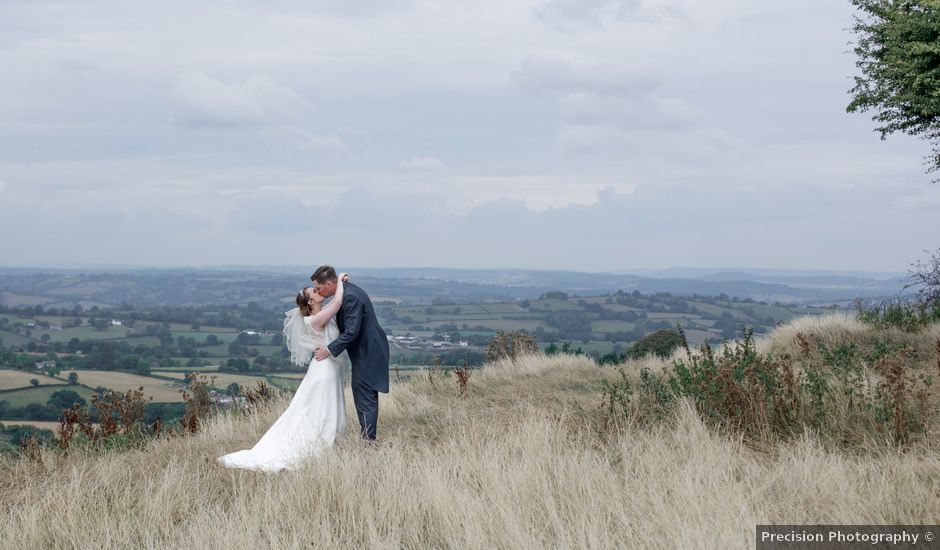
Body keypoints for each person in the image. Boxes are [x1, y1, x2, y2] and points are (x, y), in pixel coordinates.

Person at [217, 273, 350, 473]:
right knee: (319, 409)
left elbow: (333, 302)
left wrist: (336, 285)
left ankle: (330, 444)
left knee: (326, 406)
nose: (319, 290)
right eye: (314, 291)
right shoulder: (315, 320)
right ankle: (317, 447)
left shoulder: (321, 313)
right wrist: (338, 280)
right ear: (310, 300)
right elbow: (338, 301)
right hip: (323, 371)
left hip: (327, 367)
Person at [311, 265, 389, 442]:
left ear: (330, 283)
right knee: (363, 393)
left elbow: (351, 332)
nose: (317, 291)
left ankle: (368, 442)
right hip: (366, 350)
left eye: (319, 287)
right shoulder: (344, 292)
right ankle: (367, 438)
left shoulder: (350, 296)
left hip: (369, 352)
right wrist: (340, 278)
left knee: (365, 396)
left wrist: (328, 350)